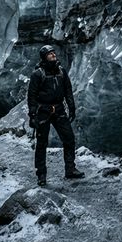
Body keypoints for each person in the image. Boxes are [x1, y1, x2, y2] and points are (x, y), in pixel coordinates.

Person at [27, 44, 85, 185]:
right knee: (42, 143)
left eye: (53, 53)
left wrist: (71, 108)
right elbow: (32, 96)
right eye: (49, 53)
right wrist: (32, 115)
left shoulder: (61, 71)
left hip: (59, 109)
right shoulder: (37, 74)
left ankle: (70, 169)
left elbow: (68, 91)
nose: (53, 55)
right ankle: (41, 175)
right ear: (44, 57)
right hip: (43, 111)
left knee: (69, 139)